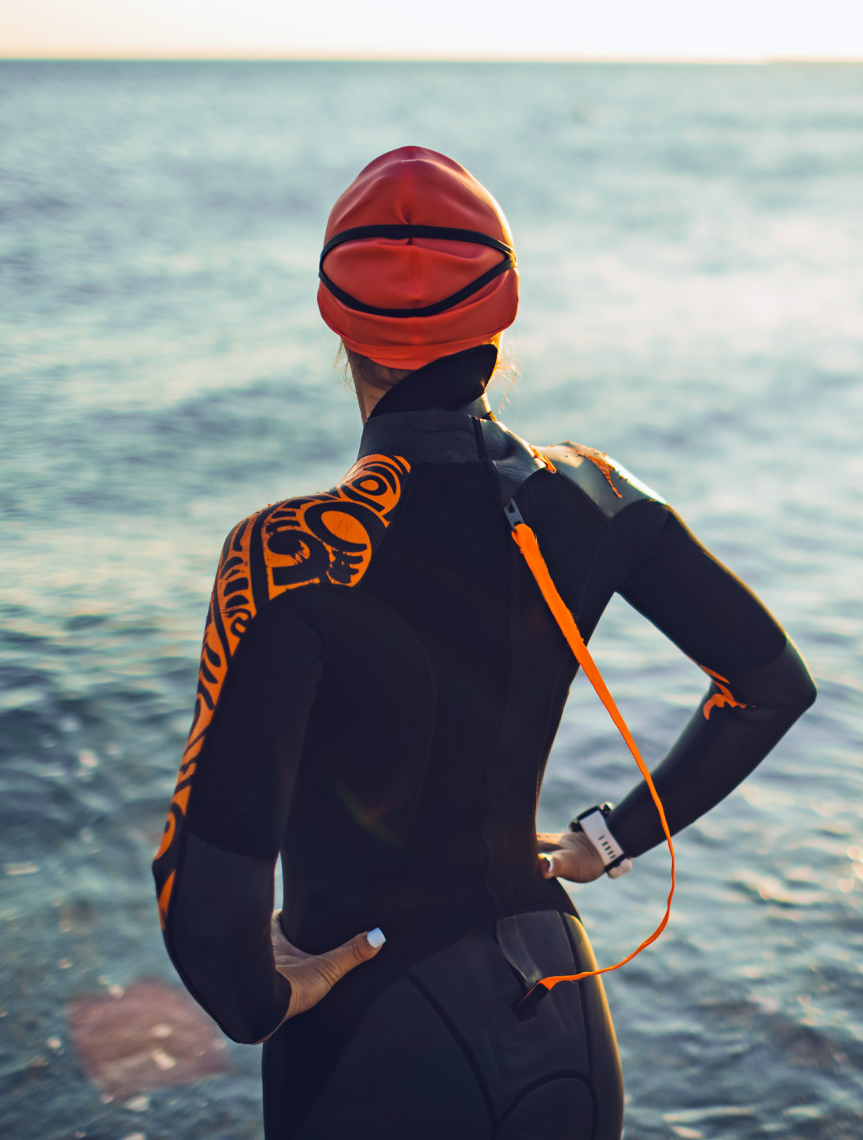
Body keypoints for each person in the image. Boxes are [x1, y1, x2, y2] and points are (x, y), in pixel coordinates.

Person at [152, 146, 816, 1139]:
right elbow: (767, 688)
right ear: (500, 319)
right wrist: (611, 837)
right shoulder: (599, 495)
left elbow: (211, 904)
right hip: (564, 1017)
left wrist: (260, 1000)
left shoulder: (292, 555)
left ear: (340, 324)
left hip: (374, 1037)